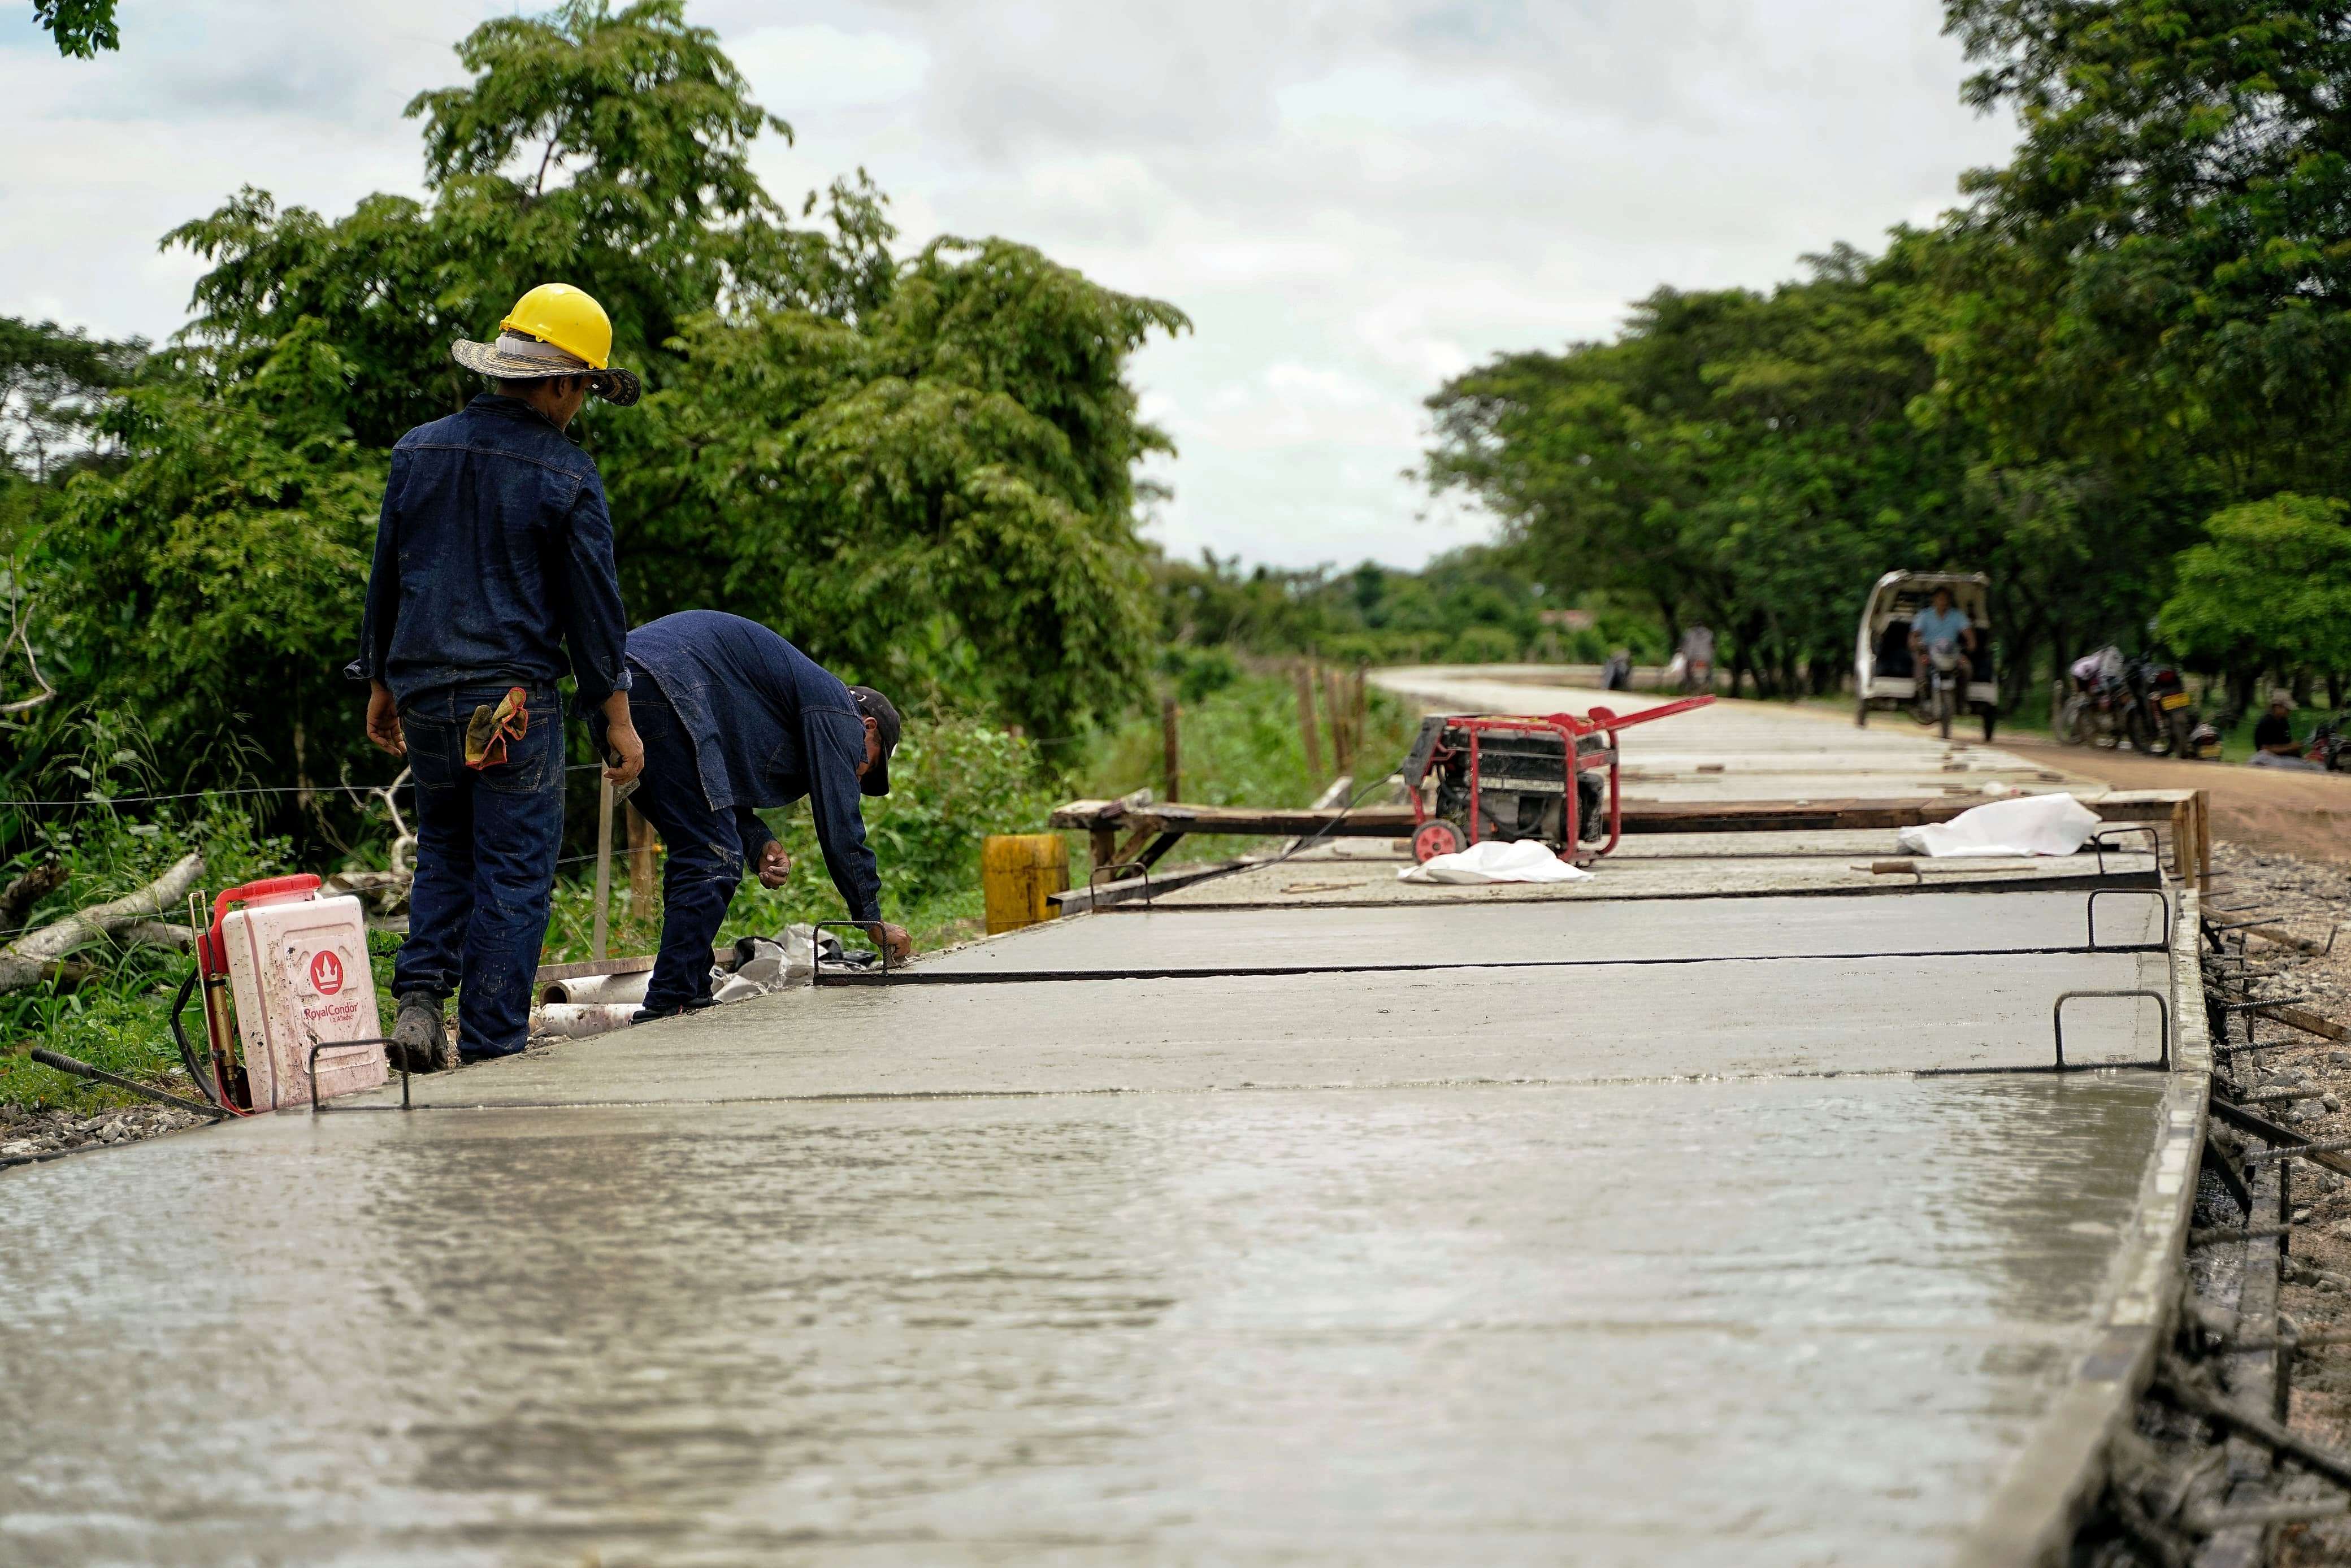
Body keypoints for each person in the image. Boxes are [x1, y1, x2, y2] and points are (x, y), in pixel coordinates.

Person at [351, 283, 646, 1069]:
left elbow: (389, 572)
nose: (581, 403)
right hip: (512, 706)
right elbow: (594, 612)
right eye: (583, 387)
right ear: (557, 381)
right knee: (514, 873)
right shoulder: (569, 473)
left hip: (425, 695)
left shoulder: (418, 449)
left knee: (446, 846)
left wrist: (380, 679)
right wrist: (616, 718)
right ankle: (488, 1048)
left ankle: (418, 1002)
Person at [597, 610, 912, 1020]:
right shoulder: (839, 710)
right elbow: (840, 824)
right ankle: (669, 1000)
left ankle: (687, 992)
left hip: (618, 693)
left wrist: (759, 841)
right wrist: (871, 918)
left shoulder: (785, 704)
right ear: (868, 727)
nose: (856, 774)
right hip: (661, 683)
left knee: (700, 846)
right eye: (866, 765)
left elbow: (713, 792)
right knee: (711, 856)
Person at [2249, 690, 2320, 770]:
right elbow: (2265, 749)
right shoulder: (2267, 722)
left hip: (2283, 757)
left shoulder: (2283, 721)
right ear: (2277, 707)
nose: (2289, 711)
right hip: (2269, 758)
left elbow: (2285, 743)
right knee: (2310, 768)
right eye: (2287, 708)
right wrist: (2290, 747)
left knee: (2315, 766)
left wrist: (2295, 747)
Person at [1908, 586, 1976, 667]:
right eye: (1941, 599)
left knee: (1967, 667)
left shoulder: (1958, 615)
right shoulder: (1924, 615)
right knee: (1921, 664)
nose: (1944, 602)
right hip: (1929, 651)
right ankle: (1922, 680)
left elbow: (1969, 634)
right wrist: (1915, 644)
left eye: (1946, 599)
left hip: (1952, 651)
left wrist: (1971, 644)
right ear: (1934, 599)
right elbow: (1914, 634)